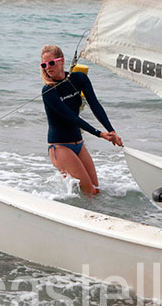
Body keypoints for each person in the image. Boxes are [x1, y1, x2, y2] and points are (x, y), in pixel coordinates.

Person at [40, 45, 123, 195]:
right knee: (89, 191)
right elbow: (71, 117)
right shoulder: (48, 91)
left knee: (95, 191)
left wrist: (111, 130)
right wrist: (99, 134)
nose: (48, 67)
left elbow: (95, 105)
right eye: (44, 65)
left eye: (51, 63)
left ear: (62, 61)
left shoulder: (79, 79)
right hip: (60, 147)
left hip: (79, 144)